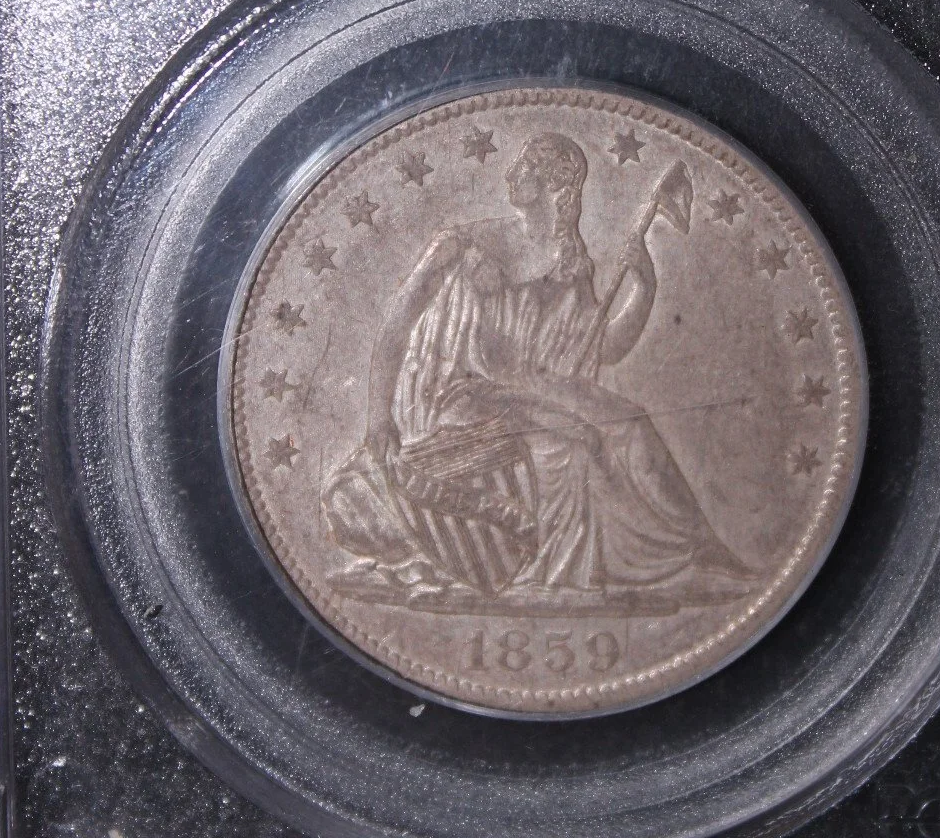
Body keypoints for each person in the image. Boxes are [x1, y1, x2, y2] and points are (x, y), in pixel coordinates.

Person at [321, 132, 754, 606]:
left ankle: (696, 548)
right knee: (572, 440)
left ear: (552, 183)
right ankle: (555, 575)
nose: (511, 174)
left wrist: (643, 288)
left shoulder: (570, 261)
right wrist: (378, 416)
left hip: (529, 390)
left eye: (524, 166)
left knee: (630, 421)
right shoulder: (462, 245)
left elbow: (604, 349)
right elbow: (397, 322)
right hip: (460, 393)